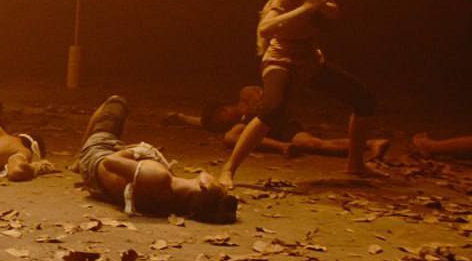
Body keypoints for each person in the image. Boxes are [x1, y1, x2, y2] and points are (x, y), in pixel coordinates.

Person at [219, 0, 384, 189]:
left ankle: (356, 164)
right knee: (273, 110)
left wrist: (321, 4)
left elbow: (334, 13)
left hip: (309, 59)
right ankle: (228, 169)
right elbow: (265, 28)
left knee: (364, 99)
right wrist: (305, 9)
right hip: (280, 58)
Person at [74, 95, 237, 223]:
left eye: (220, 187)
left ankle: (78, 158)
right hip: (100, 187)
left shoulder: (159, 178)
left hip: (95, 156)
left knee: (116, 102)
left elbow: (109, 162)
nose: (218, 181)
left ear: (205, 186)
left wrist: (137, 151)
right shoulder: (171, 199)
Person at [166, 86, 390, 160]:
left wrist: (253, 111)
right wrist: (181, 118)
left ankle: (369, 143)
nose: (220, 125)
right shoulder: (236, 124)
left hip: (278, 121)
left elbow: (269, 99)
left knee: (311, 144)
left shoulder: (246, 96)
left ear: (224, 109)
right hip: (275, 133)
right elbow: (203, 122)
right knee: (313, 144)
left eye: (219, 121)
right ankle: (371, 143)